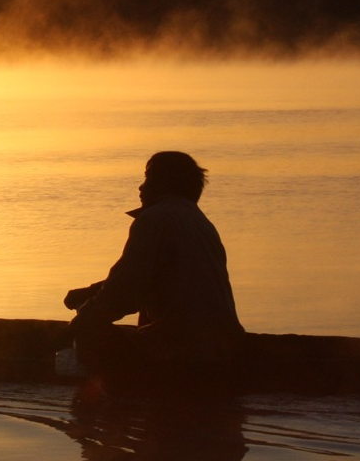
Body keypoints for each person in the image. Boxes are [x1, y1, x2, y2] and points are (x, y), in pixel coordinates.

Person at [64, 152, 244, 362]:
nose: (141, 187)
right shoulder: (200, 222)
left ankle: (119, 391)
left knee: (89, 332)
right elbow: (154, 276)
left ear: (165, 183)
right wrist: (91, 292)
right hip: (227, 343)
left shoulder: (153, 219)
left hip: (183, 348)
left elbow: (124, 291)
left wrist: (78, 324)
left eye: (148, 178)